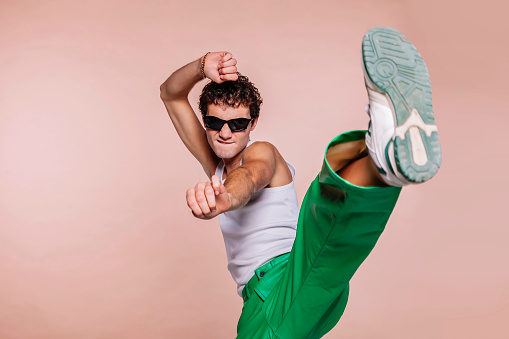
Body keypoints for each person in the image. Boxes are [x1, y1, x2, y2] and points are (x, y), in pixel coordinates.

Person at [160, 27, 441, 339]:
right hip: (310, 288)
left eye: (238, 124)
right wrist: (202, 65)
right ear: (205, 122)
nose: (225, 133)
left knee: (319, 221)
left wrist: (225, 198)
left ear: (252, 123)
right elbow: (170, 93)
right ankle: (381, 162)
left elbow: (250, 178)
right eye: (214, 123)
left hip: (281, 282)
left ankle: (382, 156)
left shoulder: (260, 152)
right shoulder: (215, 166)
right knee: (328, 237)